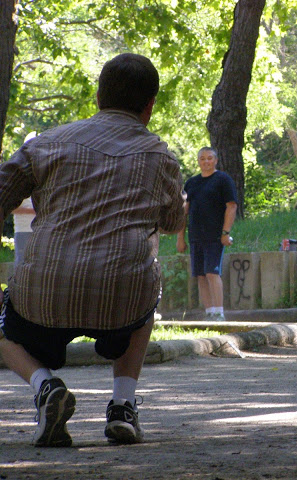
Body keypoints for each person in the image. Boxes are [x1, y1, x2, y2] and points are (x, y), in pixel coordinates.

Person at [0, 53, 185, 447]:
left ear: (98, 96)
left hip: (42, 291)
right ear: (150, 106)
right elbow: (172, 223)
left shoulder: (46, 144)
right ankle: (122, 406)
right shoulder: (161, 157)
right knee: (149, 288)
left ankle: (45, 386)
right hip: (121, 296)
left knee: (2, 326)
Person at [176, 147, 237, 320]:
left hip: (215, 235)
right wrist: (180, 237)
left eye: (209, 158)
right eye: (202, 159)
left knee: (212, 272)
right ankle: (209, 312)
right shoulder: (191, 183)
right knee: (200, 275)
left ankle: (219, 313)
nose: (206, 161)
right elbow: (183, 212)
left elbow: (231, 206)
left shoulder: (223, 180)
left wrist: (225, 232)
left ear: (215, 160)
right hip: (195, 236)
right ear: (198, 161)